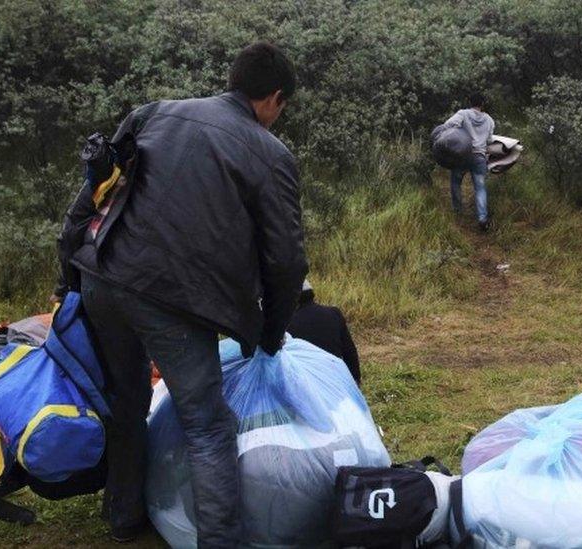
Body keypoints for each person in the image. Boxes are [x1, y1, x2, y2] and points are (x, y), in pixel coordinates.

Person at [55, 42, 307, 546]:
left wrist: (69, 279)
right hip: (174, 301)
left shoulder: (153, 114)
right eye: (282, 108)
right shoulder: (270, 154)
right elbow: (285, 260)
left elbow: (90, 198)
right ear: (274, 98)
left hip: (103, 279)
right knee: (208, 426)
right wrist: (272, 333)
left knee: (127, 401)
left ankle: (125, 518)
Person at [288, 280, 361, 384]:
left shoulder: (287, 324)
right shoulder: (334, 313)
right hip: (336, 380)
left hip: (307, 385)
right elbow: (350, 352)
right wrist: (356, 381)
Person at [446, 92, 495, 231]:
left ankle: (458, 212)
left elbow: (448, 125)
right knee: (480, 188)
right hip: (479, 157)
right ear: (482, 104)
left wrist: (459, 134)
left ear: (470, 102)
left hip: (462, 155)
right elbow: (490, 140)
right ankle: (482, 218)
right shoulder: (489, 120)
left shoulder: (463, 114)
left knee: (455, 182)